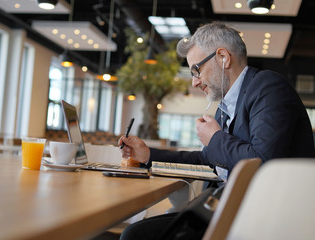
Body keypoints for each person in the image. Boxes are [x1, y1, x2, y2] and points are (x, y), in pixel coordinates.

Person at [117, 21, 315, 240]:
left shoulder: (268, 87)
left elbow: (262, 161)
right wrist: (148, 155)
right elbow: (208, 159)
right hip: (228, 207)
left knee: (135, 235)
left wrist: (215, 137)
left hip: (264, 216)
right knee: (137, 231)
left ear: (223, 57)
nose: (194, 82)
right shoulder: (226, 105)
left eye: (196, 70)